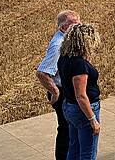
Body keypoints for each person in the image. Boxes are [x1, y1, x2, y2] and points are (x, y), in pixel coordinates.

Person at [36, 10, 81, 160]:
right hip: (62, 93)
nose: (79, 25)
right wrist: (55, 91)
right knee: (66, 129)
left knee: (71, 128)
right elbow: (42, 72)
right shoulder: (58, 45)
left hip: (66, 90)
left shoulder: (68, 40)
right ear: (63, 27)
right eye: (75, 23)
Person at [58, 23, 101, 160]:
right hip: (82, 111)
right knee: (88, 153)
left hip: (69, 108)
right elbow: (81, 95)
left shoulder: (64, 58)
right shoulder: (79, 65)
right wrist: (92, 119)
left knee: (74, 149)